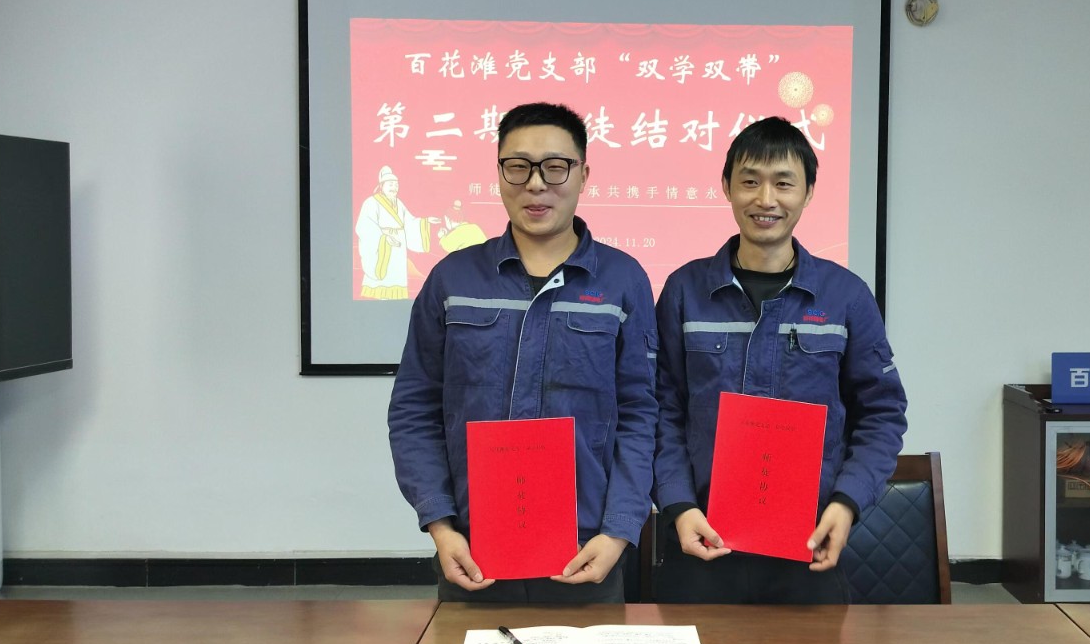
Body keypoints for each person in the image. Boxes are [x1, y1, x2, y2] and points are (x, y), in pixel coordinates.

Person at [387, 102, 658, 603]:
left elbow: (641, 415)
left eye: (556, 167)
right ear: (498, 173)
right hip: (473, 551)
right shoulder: (452, 279)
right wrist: (440, 525)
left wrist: (618, 531)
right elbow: (414, 409)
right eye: (518, 166)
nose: (536, 184)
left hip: (587, 551)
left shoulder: (624, 281)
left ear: (584, 175)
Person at [652, 116, 907, 603]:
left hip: (808, 547)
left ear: (808, 192)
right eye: (750, 181)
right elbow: (661, 410)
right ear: (726, 187)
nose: (766, 199)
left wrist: (847, 503)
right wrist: (679, 504)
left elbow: (882, 413)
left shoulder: (845, 296)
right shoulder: (685, 291)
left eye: (783, 183)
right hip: (700, 542)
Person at [355, 166, 438, 299]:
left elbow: (409, 221)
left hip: (399, 247)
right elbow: (365, 226)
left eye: (396, 184)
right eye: (390, 184)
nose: (394, 187)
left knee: (396, 276)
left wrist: (425, 221)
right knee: (383, 279)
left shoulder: (398, 203)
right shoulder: (371, 203)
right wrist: (384, 238)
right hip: (383, 247)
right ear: (381, 186)